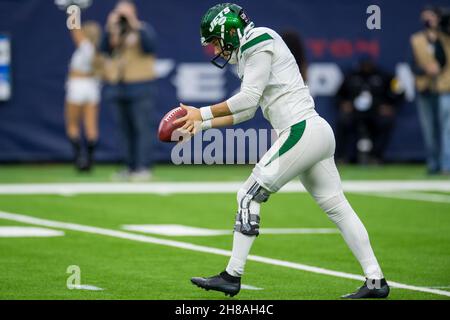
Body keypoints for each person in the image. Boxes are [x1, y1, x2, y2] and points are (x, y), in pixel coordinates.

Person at [174, 3, 389, 299]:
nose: (214, 49)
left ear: (230, 32)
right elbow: (248, 112)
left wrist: (202, 112)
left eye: (214, 41)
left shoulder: (258, 39)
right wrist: (203, 125)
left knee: (248, 195)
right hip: (313, 132)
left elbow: (248, 100)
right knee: (338, 208)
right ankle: (375, 281)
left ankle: (231, 275)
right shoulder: (250, 50)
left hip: (301, 131)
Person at [100, 0, 157, 181]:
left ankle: (143, 167)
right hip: (119, 86)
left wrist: (133, 24)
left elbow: (150, 46)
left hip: (140, 86)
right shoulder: (115, 32)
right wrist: (110, 28)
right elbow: (103, 50)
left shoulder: (143, 29)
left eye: (125, 13)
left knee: (141, 128)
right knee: (124, 129)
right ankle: (129, 166)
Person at [335, 56, 401, 164]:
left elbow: (399, 90)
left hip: (375, 112)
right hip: (355, 113)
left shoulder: (383, 75)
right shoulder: (351, 76)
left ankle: (376, 156)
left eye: (368, 65)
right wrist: (343, 104)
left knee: (387, 122)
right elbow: (338, 95)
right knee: (342, 120)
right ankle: (341, 157)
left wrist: (390, 105)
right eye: (364, 65)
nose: (366, 67)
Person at [410, 6, 450, 175]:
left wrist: (438, 31)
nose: (428, 21)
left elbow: (443, 57)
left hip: (444, 86)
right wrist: (425, 70)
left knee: (446, 127)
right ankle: (433, 163)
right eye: (425, 18)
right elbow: (412, 65)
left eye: (431, 17)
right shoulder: (417, 39)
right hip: (425, 87)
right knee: (429, 129)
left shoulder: (446, 36)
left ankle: (446, 165)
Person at [65, 20, 102, 172]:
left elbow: (74, 28)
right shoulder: (99, 50)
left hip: (78, 86)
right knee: (91, 126)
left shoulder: (86, 46)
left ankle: (79, 159)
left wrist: (72, 10)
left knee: (73, 125)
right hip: (92, 87)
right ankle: (90, 161)